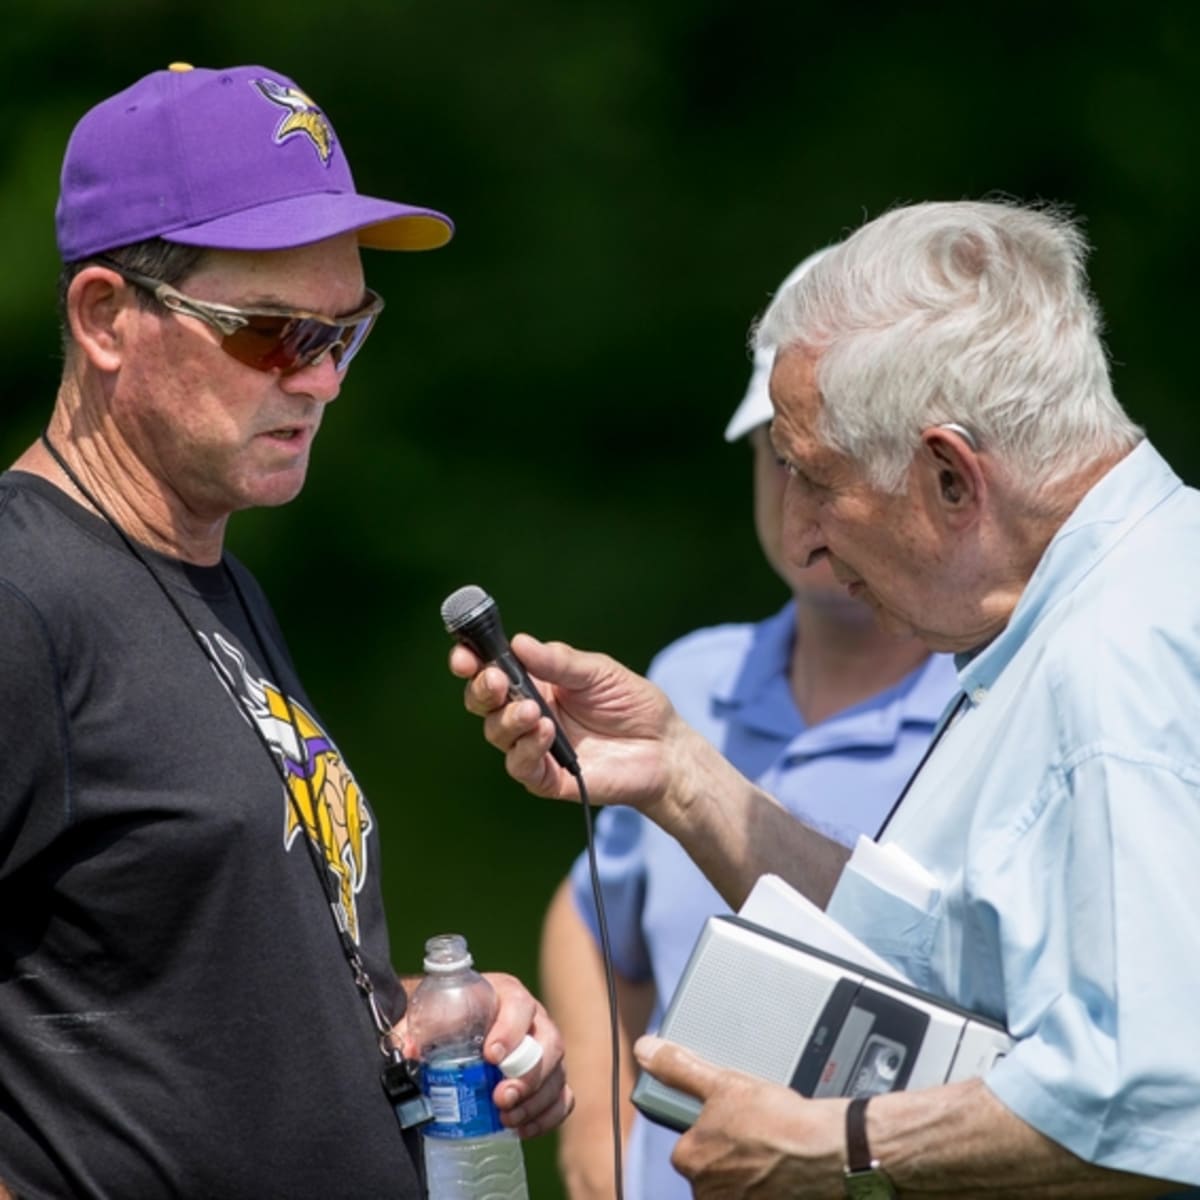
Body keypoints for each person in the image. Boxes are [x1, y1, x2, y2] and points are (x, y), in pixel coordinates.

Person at [452, 200, 1200, 1197]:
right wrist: (682, 778)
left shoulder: (1121, 661)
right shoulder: (1102, 604)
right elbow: (932, 972)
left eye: (814, 476)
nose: (799, 532)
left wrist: (832, 1146)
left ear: (948, 476)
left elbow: (1158, 1095)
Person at [0, 63, 570, 1200]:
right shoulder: (21, 594)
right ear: (106, 318)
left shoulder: (211, 578)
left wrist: (429, 1023)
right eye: (274, 334)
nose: (323, 382)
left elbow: (180, 1002)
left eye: (345, 332)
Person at [540, 250, 958, 1200]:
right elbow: (592, 917)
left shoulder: (987, 707)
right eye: (779, 455)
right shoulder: (692, 677)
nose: (797, 493)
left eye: (827, 463)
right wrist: (597, 1130)